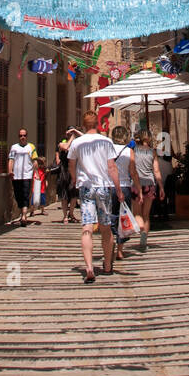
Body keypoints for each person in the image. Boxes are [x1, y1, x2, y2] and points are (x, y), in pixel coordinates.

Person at [68, 110, 121, 283]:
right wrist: (119, 189)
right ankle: (107, 265)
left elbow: (71, 165)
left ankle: (89, 267)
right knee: (106, 227)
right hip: (103, 187)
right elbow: (112, 167)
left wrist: (75, 179)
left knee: (87, 228)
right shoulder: (106, 141)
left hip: (86, 188)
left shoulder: (77, 143)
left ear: (83, 125)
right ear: (98, 124)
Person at [110, 125, 140, 261]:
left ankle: (109, 247)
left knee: (111, 218)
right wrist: (138, 188)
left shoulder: (107, 151)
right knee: (123, 219)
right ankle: (120, 251)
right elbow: (133, 172)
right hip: (125, 188)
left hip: (110, 187)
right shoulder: (129, 151)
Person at [132, 131, 164, 252]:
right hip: (150, 185)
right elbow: (156, 171)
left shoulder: (134, 151)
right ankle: (144, 238)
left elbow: (131, 168)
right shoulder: (152, 152)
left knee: (137, 214)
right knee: (146, 215)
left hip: (136, 184)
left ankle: (140, 230)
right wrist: (161, 187)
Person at [7, 127, 37, 227]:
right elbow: (11, 159)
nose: (22, 137)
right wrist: (10, 171)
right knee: (18, 195)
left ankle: (24, 215)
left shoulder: (31, 147)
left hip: (27, 175)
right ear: (18, 137)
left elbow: (35, 161)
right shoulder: (14, 147)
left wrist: (36, 172)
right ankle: (22, 213)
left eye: (24, 135)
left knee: (25, 194)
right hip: (16, 176)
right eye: (21, 136)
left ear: (27, 136)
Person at [55, 129, 80, 223]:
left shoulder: (76, 145)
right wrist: (72, 137)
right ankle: (65, 215)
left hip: (73, 171)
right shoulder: (62, 143)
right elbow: (65, 147)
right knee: (64, 195)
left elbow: (86, 137)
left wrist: (76, 132)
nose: (70, 135)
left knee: (74, 194)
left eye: (71, 133)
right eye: (69, 133)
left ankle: (72, 213)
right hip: (64, 171)